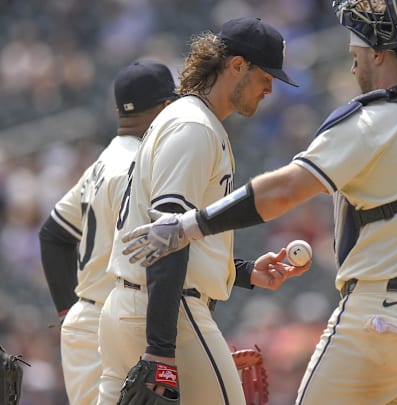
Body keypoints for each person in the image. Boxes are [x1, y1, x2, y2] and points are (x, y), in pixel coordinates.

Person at [122, 1, 397, 403]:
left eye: (356, 54)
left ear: (378, 51)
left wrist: (189, 226)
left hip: (376, 319)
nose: (353, 65)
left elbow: (283, 191)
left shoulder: (367, 121)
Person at [96, 18, 308, 405]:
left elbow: (178, 233)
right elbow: (167, 233)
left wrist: (243, 272)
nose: (270, 88)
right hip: (168, 314)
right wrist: (161, 349)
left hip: (130, 309)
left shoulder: (191, 121)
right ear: (237, 65)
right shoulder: (193, 125)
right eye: (266, 75)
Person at [38, 60, 178, 405]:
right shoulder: (140, 165)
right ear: (165, 107)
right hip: (119, 322)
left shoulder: (103, 162)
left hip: (83, 324)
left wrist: (67, 311)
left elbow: (53, 234)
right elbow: (160, 249)